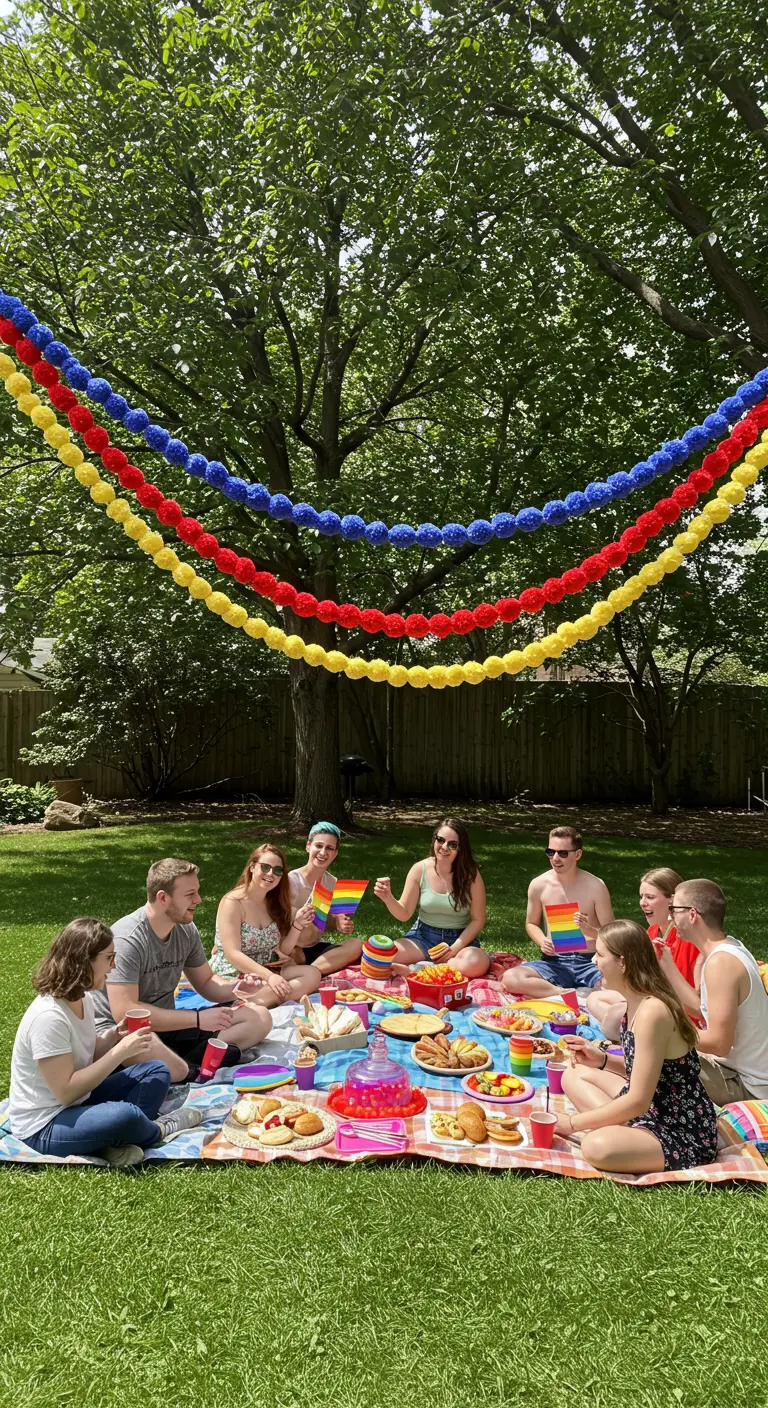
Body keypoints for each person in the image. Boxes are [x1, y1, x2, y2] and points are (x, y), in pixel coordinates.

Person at [8, 917, 202, 1167]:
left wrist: (113, 1037)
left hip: (80, 1101)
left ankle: (111, 1140)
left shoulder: (82, 997)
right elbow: (66, 1092)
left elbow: (89, 1053)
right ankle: (158, 1130)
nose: (114, 965)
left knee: (155, 1071)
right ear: (84, 960)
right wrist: (120, 1053)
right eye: (109, 957)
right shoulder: (49, 1017)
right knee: (124, 1115)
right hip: (44, 1126)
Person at [554, 920, 718, 1174]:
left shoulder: (653, 1011)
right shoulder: (634, 1000)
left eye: (600, 954)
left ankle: (621, 1135)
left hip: (680, 1126)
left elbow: (638, 1100)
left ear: (623, 962)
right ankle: (624, 1133)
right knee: (573, 1074)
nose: (594, 961)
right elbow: (650, 1068)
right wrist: (603, 1060)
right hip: (653, 1105)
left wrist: (572, 1124)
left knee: (596, 1147)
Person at [93, 858, 274, 1083]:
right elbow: (127, 1013)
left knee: (260, 1017)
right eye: (190, 894)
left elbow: (206, 982)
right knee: (141, 1043)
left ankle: (185, 1066)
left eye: (197, 892)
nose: (198, 900)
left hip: (170, 1026)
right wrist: (197, 1019)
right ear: (162, 897)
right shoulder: (127, 939)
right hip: (123, 1034)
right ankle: (191, 1067)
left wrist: (235, 989)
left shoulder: (185, 929)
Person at [665, 879, 768, 1105]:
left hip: (747, 1085)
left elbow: (719, 1043)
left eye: (673, 909)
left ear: (692, 915)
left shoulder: (721, 963)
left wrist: (665, 1031)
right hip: (737, 1071)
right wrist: (666, 966)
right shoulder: (730, 948)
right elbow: (701, 1011)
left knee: (653, 1059)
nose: (670, 916)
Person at [585, 867, 701, 1037]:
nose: (642, 902)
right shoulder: (653, 931)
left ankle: (634, 1033)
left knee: (609, 1016)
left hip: (677, 1016)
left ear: (672, 900)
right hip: (653, 1002)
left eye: (650, 897)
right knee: (594, 999)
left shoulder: (690, 940)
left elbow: (699, 1008)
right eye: (641, 897)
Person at [502, 826, 613, 999]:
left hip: (591, 960)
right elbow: (531, 923)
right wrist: (542, 941)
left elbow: (613, 936)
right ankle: (565, 993)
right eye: (550, 852)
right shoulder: (539, 885)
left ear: (577, 855)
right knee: (511, 978)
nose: (555, 858)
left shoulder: (596, 886)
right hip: (555, 961)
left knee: (620, 986)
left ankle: (583, 993)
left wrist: (588, 930)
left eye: (562, 853)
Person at [373, 818, 489, 978]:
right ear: (434, 840)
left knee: (477, 963)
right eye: (440, 840)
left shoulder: (471, 875)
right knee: (383, 957)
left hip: (459, 940)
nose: (444, 847)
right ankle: (441, 969)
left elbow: (478, 919)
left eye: (452, 844)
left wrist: (454, 949)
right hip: (423, 936)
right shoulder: (419, 869)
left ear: (461, 849)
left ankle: (419, 970)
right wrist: (387, 897)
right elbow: (404, 913)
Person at [210, 843, 322, 1000]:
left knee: (313, 974)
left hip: (268, 968)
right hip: (236, 972)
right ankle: (263, 1000)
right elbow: (232, 954)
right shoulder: (233, 902)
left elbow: (283, 950)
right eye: (265, 867)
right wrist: (269, 977)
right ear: (252, 867)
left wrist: (297, 924)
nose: (271, 874)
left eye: (277, 870)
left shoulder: (275, 903)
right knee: (287, 986)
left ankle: (260, 1001)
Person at [288, 823, 364, 976]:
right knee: (291, 955)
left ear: (335, 854)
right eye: (319, 846)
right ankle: (312, 972)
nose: (323, 852)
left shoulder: (332, 883)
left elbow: (324, 924)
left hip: (315, 947)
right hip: (291, 947)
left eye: (329, 848)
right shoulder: (291, 881)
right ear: (308, 846)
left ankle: (310, 972)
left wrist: (338, 923)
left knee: (357, 944)